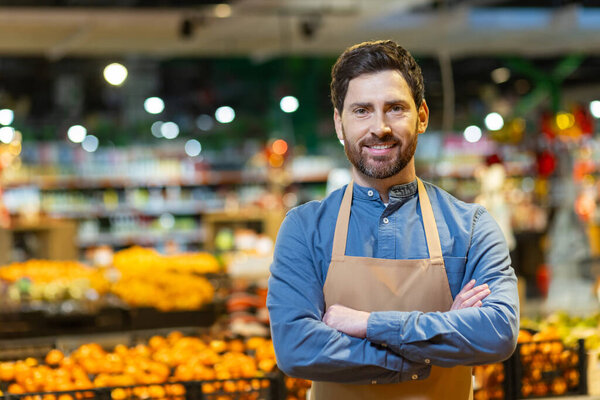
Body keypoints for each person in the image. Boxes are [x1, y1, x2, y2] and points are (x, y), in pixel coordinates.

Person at [267, 40, 519, 400]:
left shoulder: (471, 226)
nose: (380, 127)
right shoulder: (304, 228)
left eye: (395, 108)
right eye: (362, 111)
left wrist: (366, 325)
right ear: (340, 124)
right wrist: (433, 342)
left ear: (422, 116)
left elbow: (496, 333)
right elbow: (296, 348)